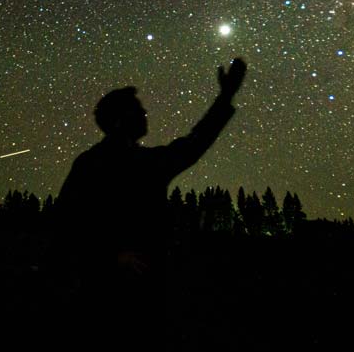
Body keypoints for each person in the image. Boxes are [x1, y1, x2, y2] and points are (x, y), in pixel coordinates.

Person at [55, 58, 246, 331]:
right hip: (110, 295)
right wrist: (111, 257)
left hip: (134, 289)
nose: (145, 114)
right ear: (121, 120)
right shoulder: (109, 163)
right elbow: (67, 224)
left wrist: (225, 97)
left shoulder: (107, 161)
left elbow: (193, 144)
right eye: (138, 111)